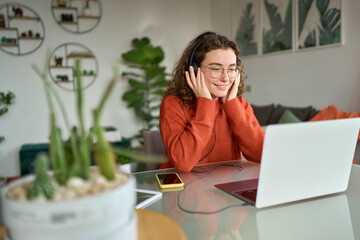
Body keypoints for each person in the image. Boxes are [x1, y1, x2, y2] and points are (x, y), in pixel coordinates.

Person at [159, 31, 265, 172]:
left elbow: (263, 155)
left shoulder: (238, 104)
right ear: (195, 70)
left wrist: (233, 105)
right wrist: (205, 103)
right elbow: (184, 162)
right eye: (216, 69)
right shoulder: (173, 103)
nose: (226, 78)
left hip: (226, 186)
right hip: (181, 189)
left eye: (232, 69)